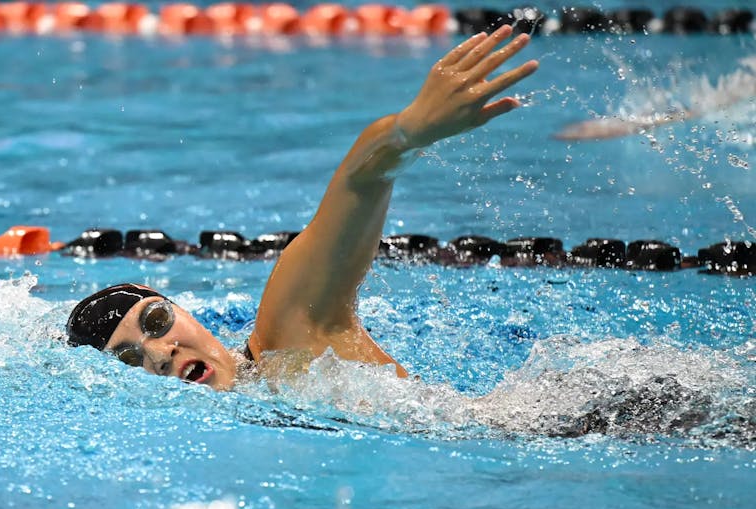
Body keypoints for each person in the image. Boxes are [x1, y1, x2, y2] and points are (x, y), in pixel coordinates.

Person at [67, 25, 539, 391]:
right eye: (131, 360)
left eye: (155, 322)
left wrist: (408, 132)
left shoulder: (289, 336)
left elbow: (362, 178)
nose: (161, 353)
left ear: (183, 310)